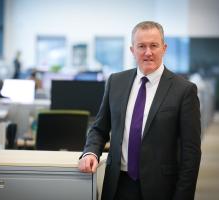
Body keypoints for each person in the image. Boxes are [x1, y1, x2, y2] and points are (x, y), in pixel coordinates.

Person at [78, 21, 201, 200]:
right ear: (132, 50)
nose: (148, 52)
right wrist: (90, 152)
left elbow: (191, 153)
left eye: (154, 45)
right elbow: (99, 128)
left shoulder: (184, 90)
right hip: (118, 184)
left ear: (164, 48)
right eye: (141, 46)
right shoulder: (115, 82)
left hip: (161, 188)